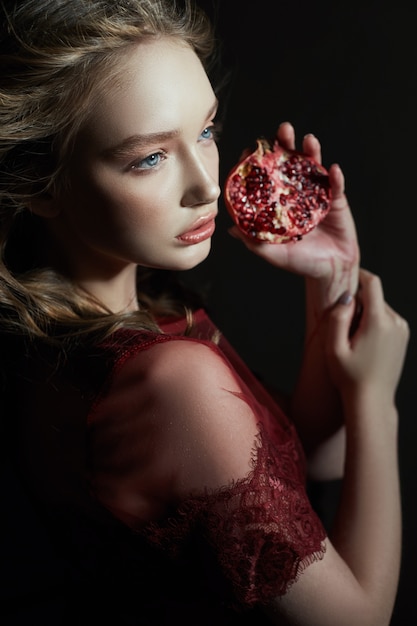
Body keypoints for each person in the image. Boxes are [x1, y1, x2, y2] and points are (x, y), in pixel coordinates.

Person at [0, 1, 409, 624]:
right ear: (39, 183)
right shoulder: (170, 382)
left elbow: (304, 462)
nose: (207, 185)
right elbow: (361, 619)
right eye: (150, 158)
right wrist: (378, 400)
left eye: (207, 132)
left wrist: (331, 289)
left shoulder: (114, 331)